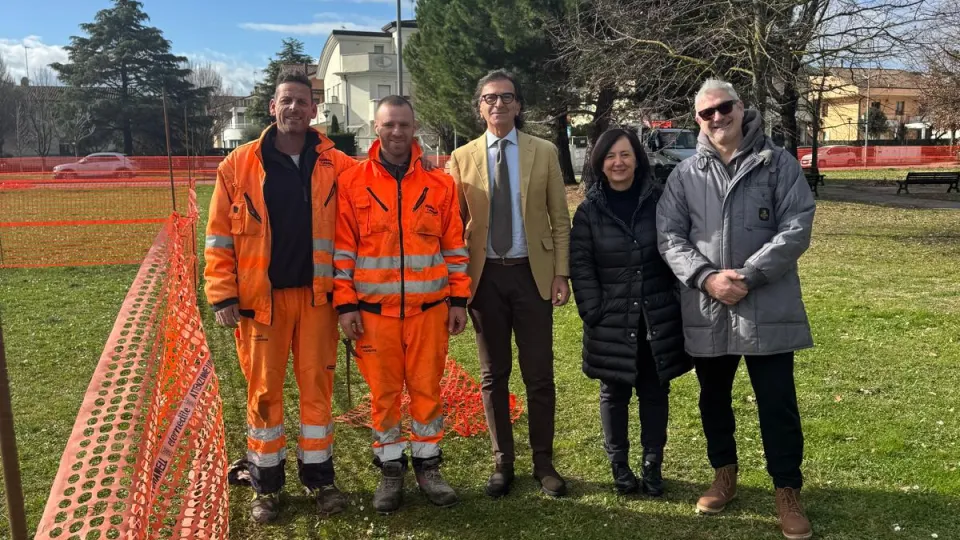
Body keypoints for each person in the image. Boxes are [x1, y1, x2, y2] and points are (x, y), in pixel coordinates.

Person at [656, 79, 816, 540]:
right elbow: (669, 236)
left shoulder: (778, 163)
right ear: (697, 120)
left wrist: (747, 275)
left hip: (765, 302)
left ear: (742, 108)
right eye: (706, 113)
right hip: (709, 307)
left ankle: (787, 490)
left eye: (724, 108)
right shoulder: (685, 175)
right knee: (713, 400)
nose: (716, 117)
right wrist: (707, 278)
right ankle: (723, 473)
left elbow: (796, 226)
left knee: (777, 404)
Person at [203, 72, 354, 523]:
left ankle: (321, 481)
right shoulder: (237, 165)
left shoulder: (338, 165)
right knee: (264, 394)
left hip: (317, 300)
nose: (294, 108)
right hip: (259, 305)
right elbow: (218, 238)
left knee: (317, 392)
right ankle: (265, 486)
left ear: (314, 109)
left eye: (302, 102)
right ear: (273, 107)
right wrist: (222, 293)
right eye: (286, 100)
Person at [334, 95, 471, 514]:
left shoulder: (439, 186)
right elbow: (342, 251)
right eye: (388, 125)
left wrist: (459, 299)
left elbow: (454, 248)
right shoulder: (352, 183)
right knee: (385, 396)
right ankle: (390, 470)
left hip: (429, 313)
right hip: (374, 317)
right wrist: (346, 306)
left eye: (404, 125)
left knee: (428, 392)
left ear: (415, 129)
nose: (397, 132)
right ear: (376, 128)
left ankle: (428, 467)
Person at [447, 70, 571, 498]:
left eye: (506, 97)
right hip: (484, 280)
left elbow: (560, 218)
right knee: (491, 374)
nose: (498, 104)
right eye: (489, 98)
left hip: (531, 274)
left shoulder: (544, 151)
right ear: (479, 106)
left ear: (518, 105)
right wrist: (455, 289)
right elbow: (452, 228)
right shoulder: (460, 158)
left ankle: (543, 463)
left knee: (539, 374)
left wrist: (561, 272)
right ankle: (503, 463)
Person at [569, 128, 692, 496]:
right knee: (614, 392)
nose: (618, 162)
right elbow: (581, 264)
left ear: (637, 158)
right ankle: (619, 464)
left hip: (656, 315)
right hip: (611, 319)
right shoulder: (590, 210)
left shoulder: (660, 199)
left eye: (625, 155)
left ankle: (653, 463)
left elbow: (676, 248)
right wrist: (593, 311)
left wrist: (674, 299)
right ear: (599, 163)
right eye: (610, 156)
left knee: (655, 392)